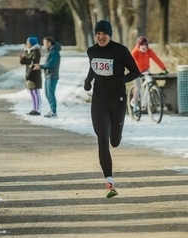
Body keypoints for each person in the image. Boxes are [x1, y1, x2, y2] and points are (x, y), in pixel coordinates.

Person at [83, 20, 140, 198]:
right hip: (99, 100)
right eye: (98, 34)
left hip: (118, 100)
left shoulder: (120, 50)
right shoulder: (91, 51)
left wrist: (121, 80)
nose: (100, 37)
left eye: (104, 34)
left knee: (114, 141)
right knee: (102, 138)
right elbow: (94, 66)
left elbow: (135, 71)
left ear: (109, 35)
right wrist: (88, 80)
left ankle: (117, 136)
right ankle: (109, 182)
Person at [130, 36, 168, 110]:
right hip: (135, 70)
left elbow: (156, 59)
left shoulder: (149, 51)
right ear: (138, 45)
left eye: (146, 45)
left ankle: (151, 98)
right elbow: (130, 62)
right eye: (142, 45)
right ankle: (134, 104)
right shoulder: (135, 52)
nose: (144, 47)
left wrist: (164, 68)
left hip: (145, 70)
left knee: (150, 81)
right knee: (138, 87)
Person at [33, 37, 61, 118]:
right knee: (47, 94)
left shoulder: (54, 52)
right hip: (48, 75)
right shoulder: (51, 51)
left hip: (52, 76)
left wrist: (40, 66)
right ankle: (52, 110)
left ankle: (54, 111)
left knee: (50, 94)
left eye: (45, 43)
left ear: (49, 43)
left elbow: (51, 64)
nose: (44, 45)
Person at [19, 36, 42, 116]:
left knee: (36, 92)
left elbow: (33, 62)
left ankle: (37, 110)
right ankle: (34, 108)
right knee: (31, 92)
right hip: (28, 73)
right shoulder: (27, 51)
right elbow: (24, 62)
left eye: (28, 42)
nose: (26, 44)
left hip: (34, 74)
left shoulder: (36, 51)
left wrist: (25, 59)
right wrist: (22, 59)